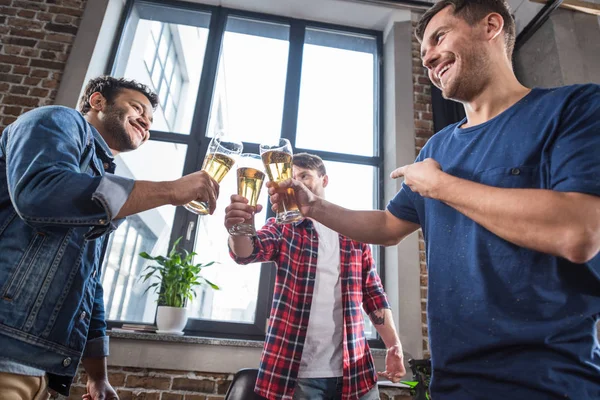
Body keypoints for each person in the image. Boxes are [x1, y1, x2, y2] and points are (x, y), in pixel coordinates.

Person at [267, 1, 600, 399]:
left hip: (549, 381)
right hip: (453, 383)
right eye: (423, 53)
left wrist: (441, 186)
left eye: (439, 37)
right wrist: (313, 206)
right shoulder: (438, 147)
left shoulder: (573, 108)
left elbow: (578, 230)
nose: (428, 58)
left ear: (491, 26)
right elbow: (388, 227)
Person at [0, 76, 220, 400]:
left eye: (150, 121)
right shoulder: (57, 120)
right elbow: (40, 191)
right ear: (98, 102)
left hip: (37, 368)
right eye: (137, 108)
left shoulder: (103, 186)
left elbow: (89, 284)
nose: (146, 122)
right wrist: (170, 190)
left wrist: (98, 377)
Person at [225, 152, 406, 400]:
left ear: (324, 180)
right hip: (297, 375)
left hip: (355, 371)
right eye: (291, 178)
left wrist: (393, 344)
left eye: (304, 176)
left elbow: (373, 294)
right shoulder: (282, 227)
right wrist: (239, 227)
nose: (296, 183)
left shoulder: (353, 231)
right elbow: (247, 252)